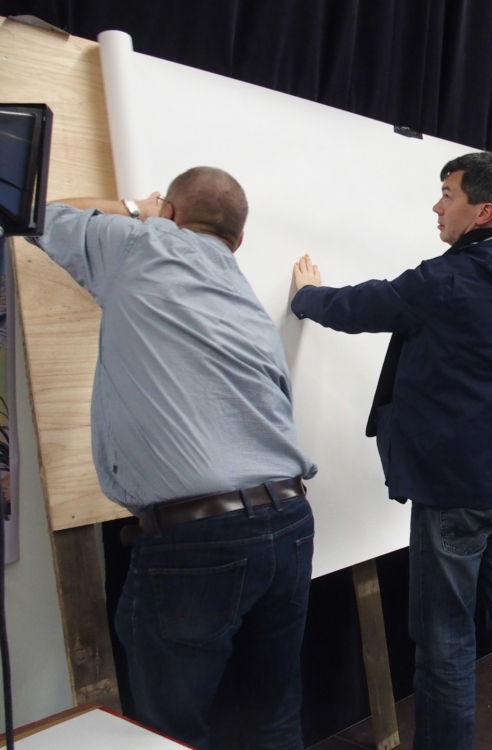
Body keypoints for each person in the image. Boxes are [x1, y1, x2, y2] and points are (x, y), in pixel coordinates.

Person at [29, 167, 318, 750]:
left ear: (172, 215)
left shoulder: (142, 243)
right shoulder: (242, 291)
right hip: (288, 521)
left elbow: (37, 211)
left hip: (198, 540)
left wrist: (136, 208)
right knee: (271, 719)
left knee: (169, 733)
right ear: (238, 240)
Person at [290, 151, 492, 750]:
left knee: (445, 640)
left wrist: (306, 296)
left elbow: (360, 306)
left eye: (448, 194)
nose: (436, 206)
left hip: (453, 494)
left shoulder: (446, 280)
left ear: (483, 212)